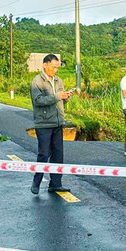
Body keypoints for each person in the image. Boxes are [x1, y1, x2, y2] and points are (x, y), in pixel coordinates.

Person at [30, 54, 72, 194]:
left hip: (58, 122)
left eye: (57, 67)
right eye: (53, 67)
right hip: (44, 123)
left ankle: (55, 183)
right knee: (44, 154)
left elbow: (59, 99)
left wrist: (65, 97)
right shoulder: (37, 81)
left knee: (58, 155)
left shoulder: (58, 80)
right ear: (45, 65)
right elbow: (38, 101)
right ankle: (36, 182)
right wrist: (57, 97)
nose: (55, 70)